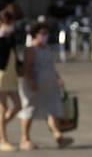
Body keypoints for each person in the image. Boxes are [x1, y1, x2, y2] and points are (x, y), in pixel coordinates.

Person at [18, 22, 73, 150]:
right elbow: (27, 67)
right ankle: (24, 138)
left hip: (49, 86)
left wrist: (58, 78)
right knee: (29, 111)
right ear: (35, 35)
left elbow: (51, 67)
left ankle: (58, 135)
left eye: (46, 33)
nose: (45, 36)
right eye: (42, 33)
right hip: (34, 86)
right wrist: (32, 82)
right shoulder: (31, 49)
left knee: (52, 110)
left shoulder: (47, 49)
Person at [0, 4, 23, 153]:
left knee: (18, 105)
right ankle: (3, 140)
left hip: (11, 74)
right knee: (3, 108)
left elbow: (15, 55)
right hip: (0, 75)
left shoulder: (11, 37)